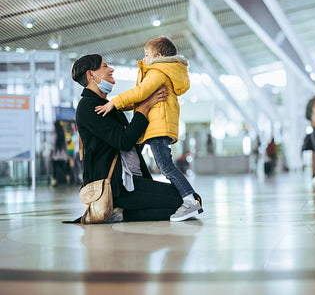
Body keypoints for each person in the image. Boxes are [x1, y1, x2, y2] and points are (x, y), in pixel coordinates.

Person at [94, 36, 203, 222]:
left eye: (146, 55)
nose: (144, 59)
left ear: (158, 56)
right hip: (158, 126)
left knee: (165, 165)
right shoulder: (161, 72)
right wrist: (119, 105)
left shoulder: (158, 71)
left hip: (158, 127)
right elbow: (139, 100)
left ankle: (190, 200)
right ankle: (188, 198)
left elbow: (140, 92)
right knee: (155, 163)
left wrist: (114, 102)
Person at [71, 53, 189, 222]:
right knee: (181, 200)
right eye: (105, 66)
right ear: (91, 75)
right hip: (116, 185)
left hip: (132, 180)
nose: (111, 69)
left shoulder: (109, 106)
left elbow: (132, 143)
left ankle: (121, 213)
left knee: (185, 197)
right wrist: (145, 106)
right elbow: (124, 142)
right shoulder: (89, 107)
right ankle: (120, 214)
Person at [50, 120, 71, 186]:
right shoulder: (63, 133)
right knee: (64, 168)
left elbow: (52, 145)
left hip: (55, 155)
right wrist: (67, 155)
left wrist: (50, 153)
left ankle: (55, 182)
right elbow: (65, 145)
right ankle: (68, 180)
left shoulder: (54, 133)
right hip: (62, 155)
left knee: (55, 169)